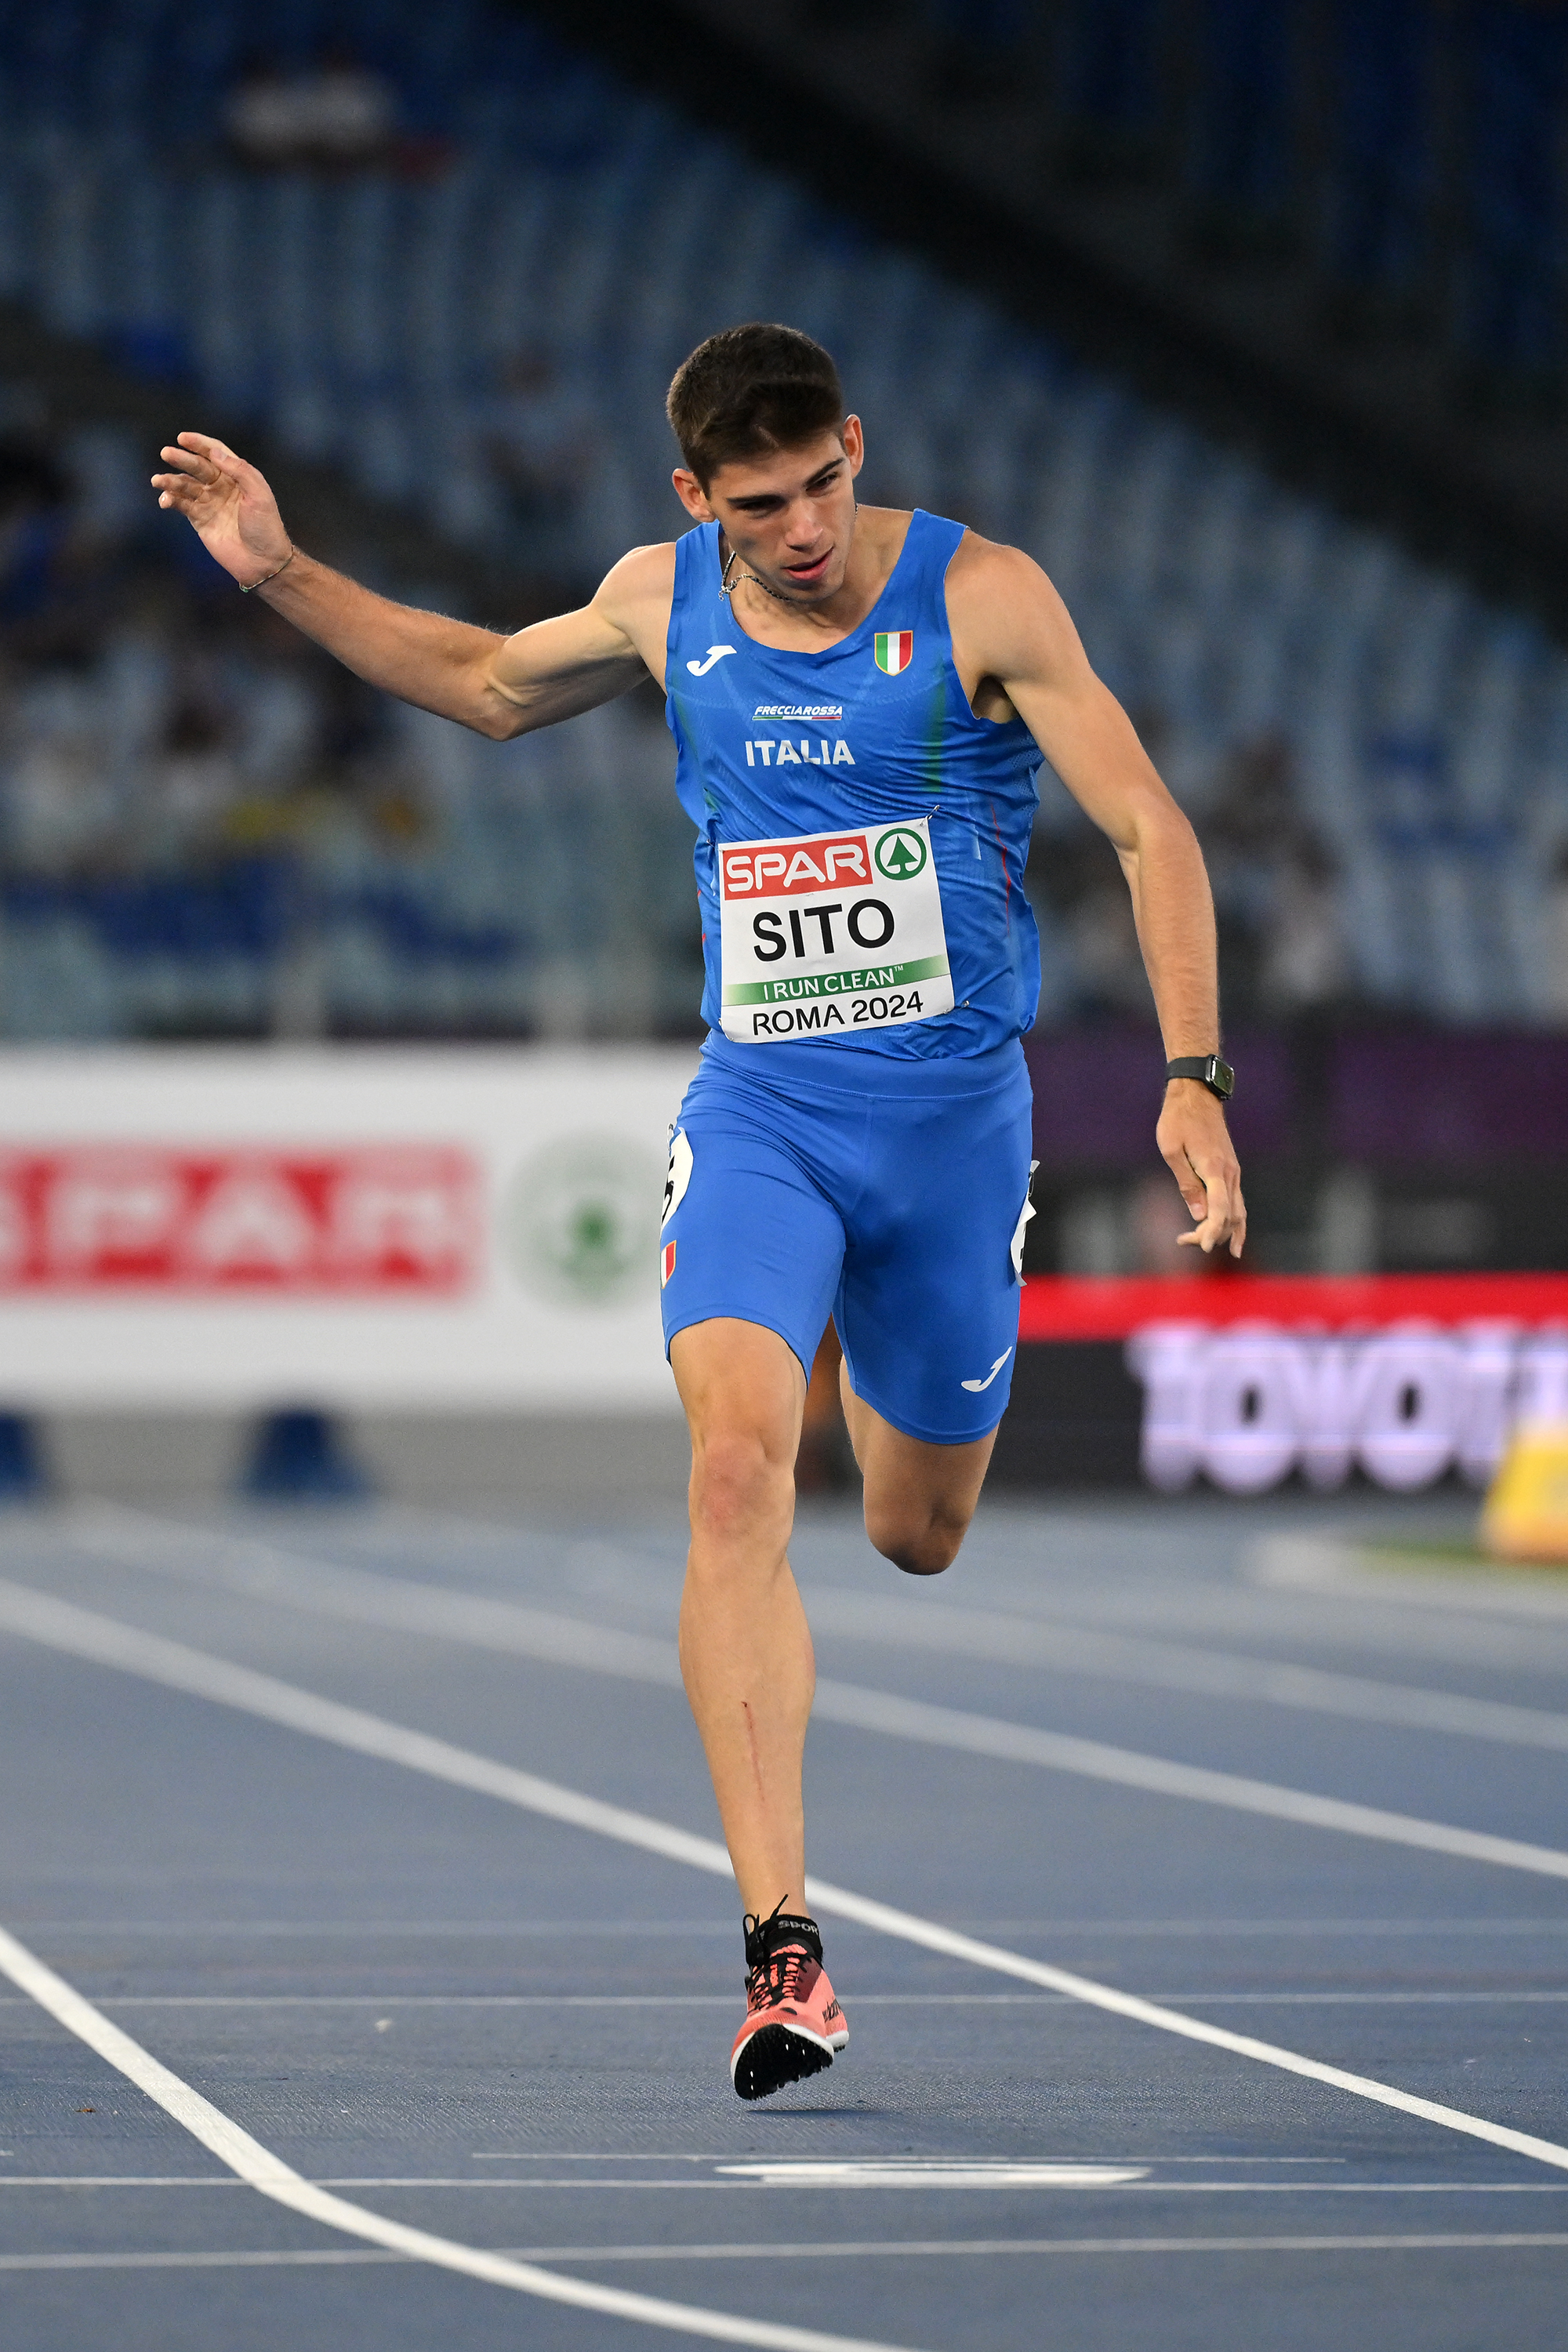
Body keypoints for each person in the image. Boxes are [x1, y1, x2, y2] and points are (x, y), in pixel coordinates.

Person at [151, 322, 1245, 2101]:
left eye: (819, 487)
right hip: (764, 1115)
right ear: (694, 498)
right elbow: (482, 682)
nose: (801, 530)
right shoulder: (662, 602)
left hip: (954, 1135)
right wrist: (277, 569)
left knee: (915, 1532)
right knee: (737, 1470)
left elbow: (1148, 828)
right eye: (759, 506)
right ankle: (781, 1949)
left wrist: (1193, 1076)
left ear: (854, 447)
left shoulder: (984, 598)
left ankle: (870, 1348)